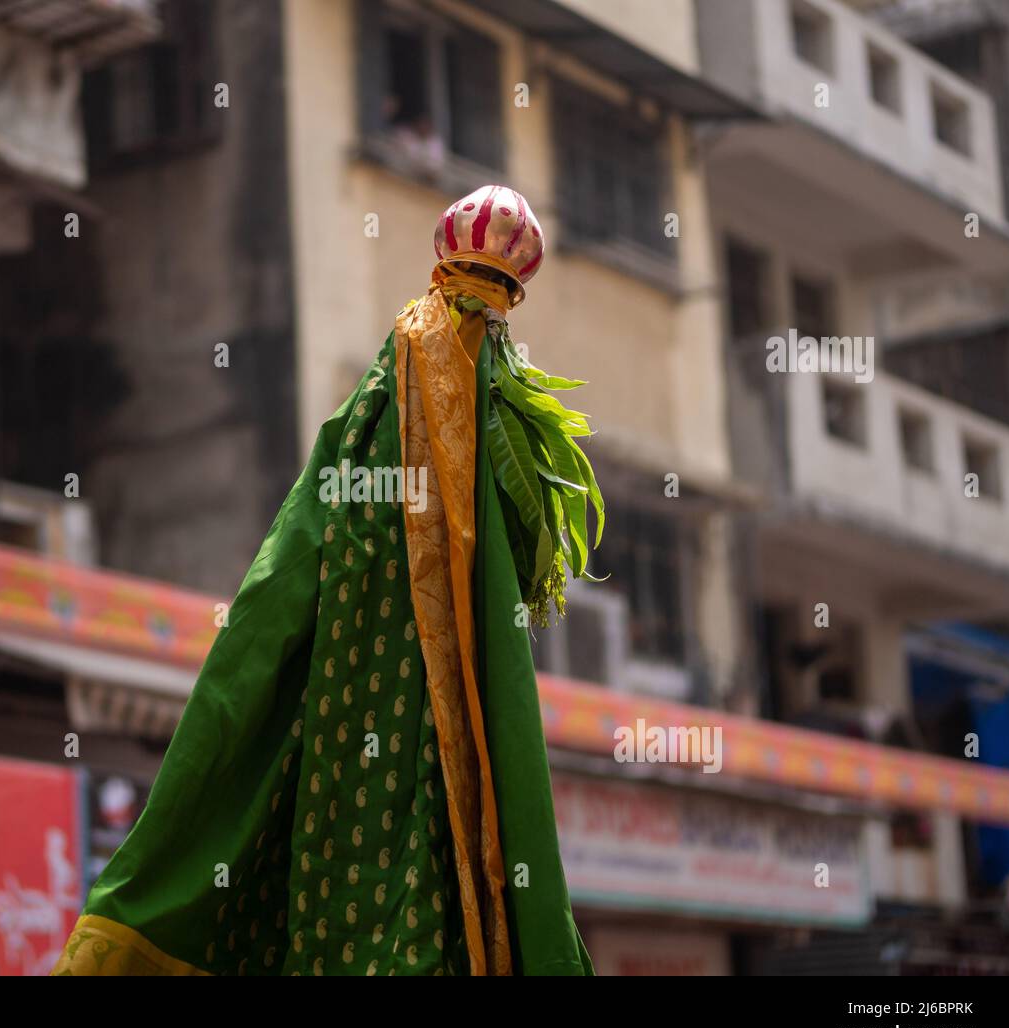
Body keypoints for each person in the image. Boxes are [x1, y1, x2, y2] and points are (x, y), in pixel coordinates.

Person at [54, 185, 605, 976]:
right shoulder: (458, 406)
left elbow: (275, 594)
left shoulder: (387, 401)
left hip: (362, 764)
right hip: (374, 752)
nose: (467, 336)